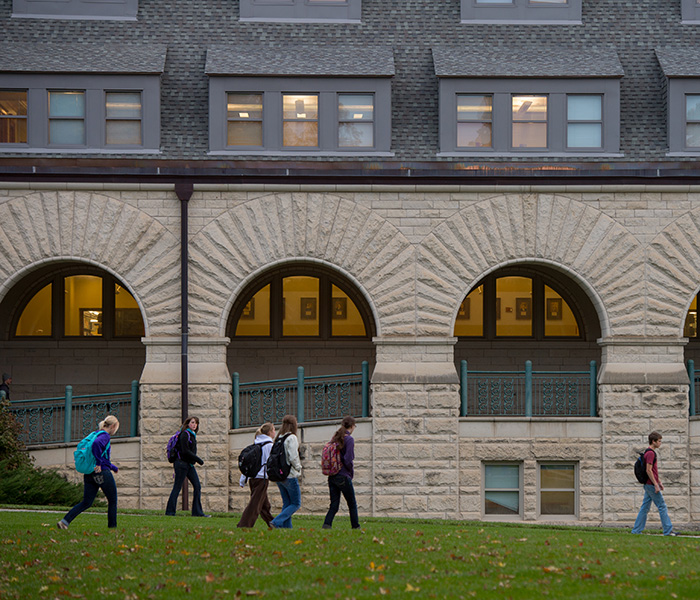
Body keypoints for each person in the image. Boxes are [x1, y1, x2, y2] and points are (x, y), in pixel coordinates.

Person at [58, 415, 120, 530]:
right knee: (112, 500)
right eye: (116, 428)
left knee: (87, 502)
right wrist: (98, 464)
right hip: (101, 473)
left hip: (90, 473)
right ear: (112, 426)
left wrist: (113, 467)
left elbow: (102, 457)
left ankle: (64, 521)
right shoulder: (105, 436)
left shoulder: (95, 434)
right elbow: (97, 446)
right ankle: (112, 528)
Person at [631, 431, 677, 536]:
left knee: (645, 507)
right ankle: (668, 530)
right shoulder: (651, 453)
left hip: (649, 484)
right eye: (659, 441)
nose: (660, 443)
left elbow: (654, 471)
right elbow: (649, 470)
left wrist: (659, 482)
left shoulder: (648, 452)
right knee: (662, 506)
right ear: (653, 441)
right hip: (651, 485)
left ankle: (636, 531)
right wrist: (655, 484)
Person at [165, 416, 210, 517]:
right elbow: (185, 451)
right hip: (181, 464)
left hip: (189, 465)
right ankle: (170, 512)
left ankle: (197, 512)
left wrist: (194, 460)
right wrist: (198, 460)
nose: (194, 425)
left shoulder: (192, 435)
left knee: (197, 486)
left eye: (196, 423)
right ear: (188, 423)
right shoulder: (185, 434)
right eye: (193, 422)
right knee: (177, 487)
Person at [322, 416, 360, 530]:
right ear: (352, 426)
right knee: (352, 504)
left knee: (334, 504)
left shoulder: (336, 438)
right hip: (343, 475)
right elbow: (348, 459)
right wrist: (350, 472)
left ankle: (326, 525)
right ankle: (355, 526)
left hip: (332, 475)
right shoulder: (349, 439)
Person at [237, 422, 276, 528]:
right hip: (262, 479)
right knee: (255, 505)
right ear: (269, 432)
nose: (274, 432)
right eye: (273, 430)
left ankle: (274, 524)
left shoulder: (256, 444)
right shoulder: (269, 446)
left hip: (253, 478)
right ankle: (244, 525)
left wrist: (243, 479)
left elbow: (250, 464)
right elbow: (270, 463)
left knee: (264, 505)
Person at [270, 414, 302, 529]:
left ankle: (287, 528)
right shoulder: (291, 438)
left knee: (287, 503)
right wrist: (299, 467)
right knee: (296, 503)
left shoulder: (279, 437)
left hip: (279, 475)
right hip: (290, 475)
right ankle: (276, 521)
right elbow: (293, 457)